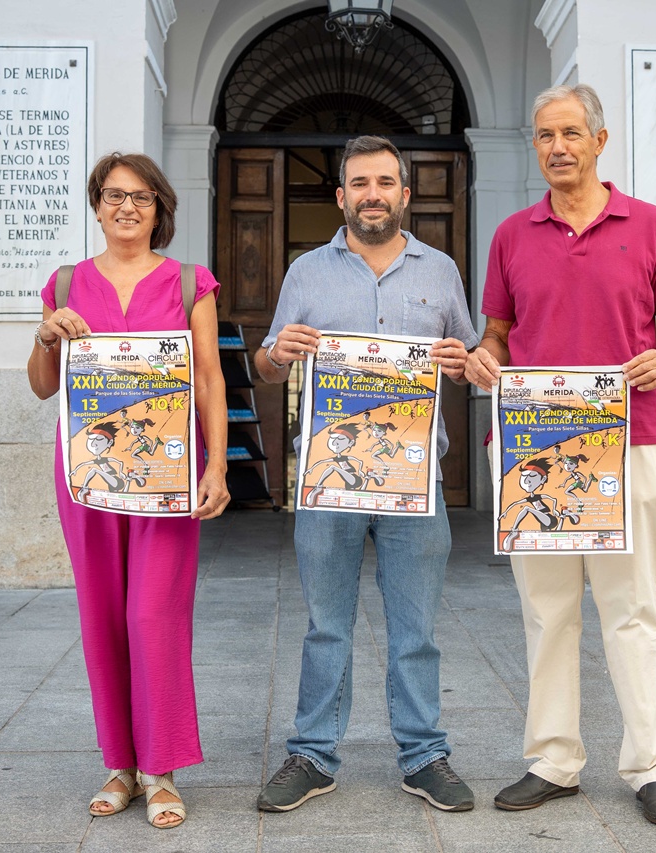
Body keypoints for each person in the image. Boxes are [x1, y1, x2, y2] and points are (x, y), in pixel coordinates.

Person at [464, 84, 656, 826]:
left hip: (632, 442)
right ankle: (553, 760)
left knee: (633, 610)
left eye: (569, 133)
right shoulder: (512, 235)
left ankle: (652, 766)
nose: (557, 147)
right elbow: (497, 335)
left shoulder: (650, 225)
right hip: (534, 448)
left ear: (599, 140)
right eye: (544, 135)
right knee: (547, 610)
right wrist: (484, 358)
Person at [254, 135, 480, 813]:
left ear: (405, 194)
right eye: (360, 183)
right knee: (327, 623)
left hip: (415, 480)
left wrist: (460, 362)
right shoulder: (305, 272)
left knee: (417, 626)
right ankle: (313, 753)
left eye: (384, 182)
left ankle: (424, 754)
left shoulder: (440, 270)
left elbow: (472, 358)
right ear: (341, 196)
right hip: (329, 478)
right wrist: (278, 353)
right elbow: (267, 364)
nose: (372, 194)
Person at [27, 151, 230, 829]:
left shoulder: (189, 282)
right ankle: (120, 764)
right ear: (96, 205)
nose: (126, 208)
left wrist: (217, 467)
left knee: (152, 614)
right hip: (87, 476)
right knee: (102, 616)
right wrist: (45, 336)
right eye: (114, 195)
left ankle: (161, 768)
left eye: (141, 197)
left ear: (159, 209)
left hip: (167, 472)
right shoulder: (64, 283)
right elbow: (43, 386)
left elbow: (210, 378)